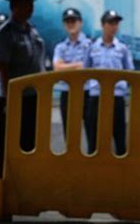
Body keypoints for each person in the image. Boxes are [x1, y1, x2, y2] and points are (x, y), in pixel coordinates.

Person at [0, 0, 45, 156]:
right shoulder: (5, 33)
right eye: (26, 4)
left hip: (32, 96)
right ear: (15, 6)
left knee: (30, 143)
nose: (31, 7)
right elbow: (2, 67)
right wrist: (10, 98)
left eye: (31, 3)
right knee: (10, 144)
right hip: (14, 98)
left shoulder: (32, 31)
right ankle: (6, 180)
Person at [84, 10, 134, 155]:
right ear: (102, 25)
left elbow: (129, 72)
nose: (114, 27)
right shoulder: (92, 47)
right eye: (110, 23)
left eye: (116, 23)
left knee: (119, 137)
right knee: (93, 136)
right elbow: (85, 71)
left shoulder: (122, 49)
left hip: (116, 97)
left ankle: (121, 173)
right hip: (96, 97)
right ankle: (92, 171)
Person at [52, 8, 91, 140]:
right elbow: (57, 68)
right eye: (67, 21)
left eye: (73, 20)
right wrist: (77, 65)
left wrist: (66, 66)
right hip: (67, 92)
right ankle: (70, 161)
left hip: (86, 92)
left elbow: (85, 67)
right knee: (69, 134)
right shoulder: (60, 47)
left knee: (92, 132)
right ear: (64, 24)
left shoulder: (90, 45)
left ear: (80, 23)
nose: (70, 24)